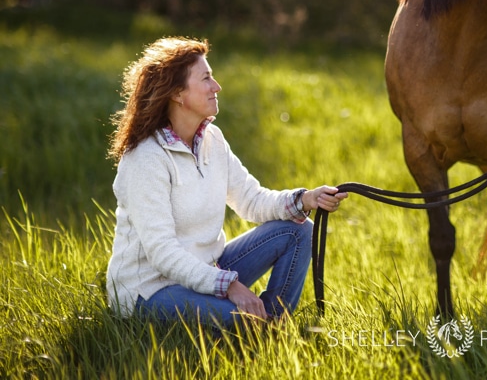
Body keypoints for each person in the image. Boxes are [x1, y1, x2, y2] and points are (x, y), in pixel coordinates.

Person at [105, 36, 347, 329]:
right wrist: (230, 286)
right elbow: (163, 254)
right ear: (178, 93)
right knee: (243, 321)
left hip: (208, 270)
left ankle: (273, 324)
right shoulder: (146, 159)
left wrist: (304, 199)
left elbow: (251, 200)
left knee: (298, 231)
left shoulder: (212, 140)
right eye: (206, 78)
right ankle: (258, 327)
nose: (216, 86)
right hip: (150, 290)